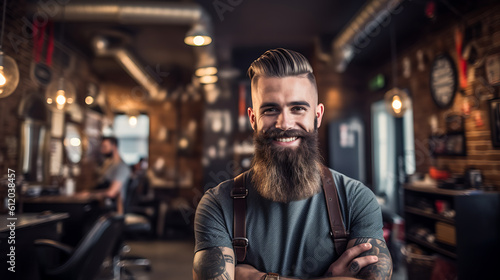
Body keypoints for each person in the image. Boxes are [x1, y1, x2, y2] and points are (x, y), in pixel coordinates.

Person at [193, 49, 392, 280]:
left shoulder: (356, 200)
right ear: (253, 119)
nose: (284, 123)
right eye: (270, 109)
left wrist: (257, 278)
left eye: (298, 108)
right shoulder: (218, 205)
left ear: (317, 116)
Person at [78, 136, 131, 213]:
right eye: (102, 147)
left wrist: (89, 194)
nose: (102, 150)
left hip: (112, 209)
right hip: (103, 205)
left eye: (105, 147)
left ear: (114, 147)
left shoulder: (121, 167)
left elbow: (111, 193)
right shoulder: (109, 165)